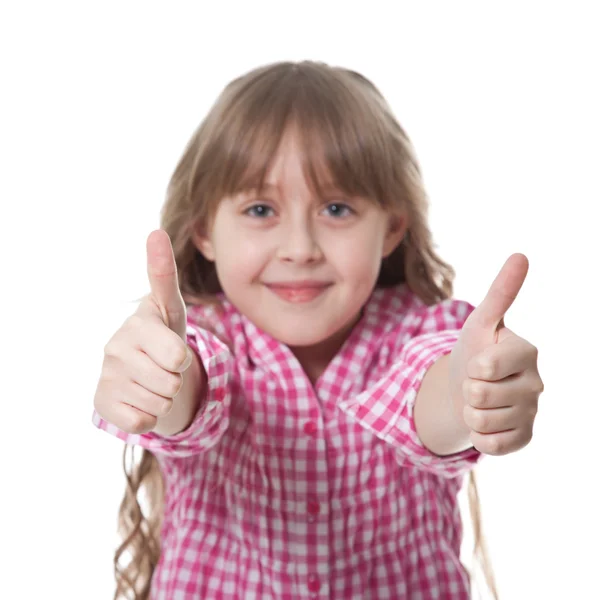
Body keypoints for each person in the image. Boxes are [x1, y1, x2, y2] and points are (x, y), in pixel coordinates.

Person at [93, 61, 543, 600]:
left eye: (336, 208)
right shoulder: (207, 338)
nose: (300, 248)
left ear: (391, 228)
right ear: (205, 232)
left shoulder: (421, 332)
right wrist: (153, 380)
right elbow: (189, 388)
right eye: (261, 209)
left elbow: (431, 394)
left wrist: (469, 393)